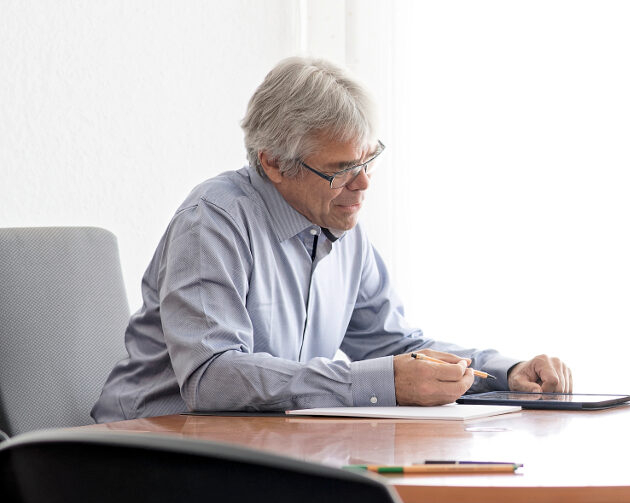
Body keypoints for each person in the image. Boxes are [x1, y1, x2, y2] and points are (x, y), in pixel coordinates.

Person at [92, 57, 571, 422]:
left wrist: (503, 373)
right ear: (274, 164)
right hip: (146, 454)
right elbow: (212, 379)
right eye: (342, 170)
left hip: (252, 452)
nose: (363, 185)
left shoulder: (342, 227)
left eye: (367, 162)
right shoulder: (213, 220)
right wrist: (384, 382)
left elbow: (396, 344)